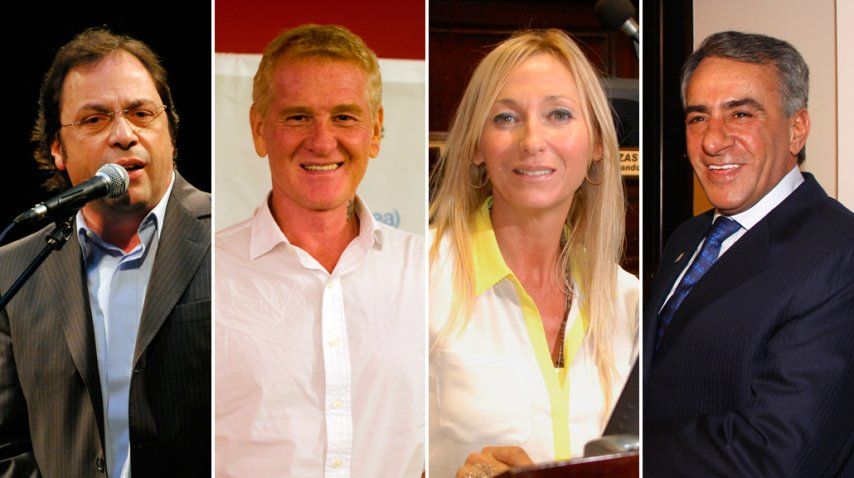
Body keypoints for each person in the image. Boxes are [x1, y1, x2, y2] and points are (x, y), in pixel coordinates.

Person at [215, 24, 424, 477]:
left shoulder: (429, 272)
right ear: (259, 129)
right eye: (298, 117)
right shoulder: (206, 274)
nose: (323, 141)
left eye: (345, 117)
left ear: (376, 131)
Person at [0, 28, 211, 477]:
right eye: (95, 119)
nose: (124, 135)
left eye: (141, 114)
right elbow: (5, 443)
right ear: (58, 149)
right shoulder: (15, 269)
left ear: (171, 132)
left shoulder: (233, 237)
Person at [429, 29, 638, 478]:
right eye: (506, 118)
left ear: (597, 143)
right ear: (476, 146)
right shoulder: (416, 277)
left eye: (558, 114)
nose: (532, 140)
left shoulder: (628, 300)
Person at [643, 31, 854, 477]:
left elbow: (778, 455)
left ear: (797, 129)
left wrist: (623, 459)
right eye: (698, 118)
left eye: (740, 114)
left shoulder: (840, 251)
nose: (712, 141)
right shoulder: (686, 238)